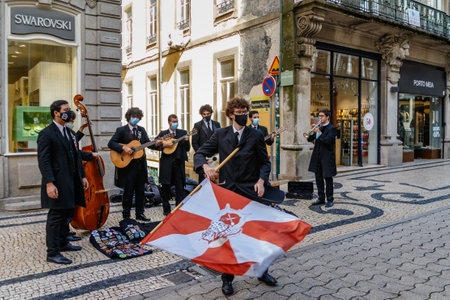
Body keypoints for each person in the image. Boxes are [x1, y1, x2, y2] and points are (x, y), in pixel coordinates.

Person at [194, 97, 278, 296]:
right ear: (231, 114)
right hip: (229, 192)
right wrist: (205, 166)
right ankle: (227, 278)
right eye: (239, 111)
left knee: (257, 233)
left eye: (245, 110)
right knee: (228, 236)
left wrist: (261, 180)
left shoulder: (256, 135)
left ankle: (262, 270)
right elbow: (200, 153)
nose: (243, 114)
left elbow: (264, 163)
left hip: (251, 191)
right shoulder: (220, 134)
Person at [37, 100, 89, 265]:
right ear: (56, 113)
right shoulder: (47, 133)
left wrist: (82, 176)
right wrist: (49, 183)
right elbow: (44, 161)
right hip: (57, 183)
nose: (69, 112)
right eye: (66, 110)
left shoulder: (69, 133)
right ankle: (52, 252)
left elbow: (76, 157)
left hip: (71, 182)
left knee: (67, 214)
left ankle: (63, 243)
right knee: (56, 217)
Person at [108, 108, 151, 221]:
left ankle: (139, 213)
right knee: (128, 191)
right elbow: (111, 143)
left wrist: (159, 142)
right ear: (129, 117)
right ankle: (126, 215)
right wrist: (123, 147)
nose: (135, 119)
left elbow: (148, 143)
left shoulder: (141, 130)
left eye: (138, 117)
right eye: (133, 116)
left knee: (140, 191)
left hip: (140, 165)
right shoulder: (121, 130)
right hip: (128, 167)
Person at [152, 114, 190, 216]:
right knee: (165, 186)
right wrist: (164, 144)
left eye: (176, 121)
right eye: (173, 122)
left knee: (180, 186)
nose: (175, 124)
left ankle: (178, 208)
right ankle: (166, 208)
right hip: (167, 163)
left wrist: (186, 141)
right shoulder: (163, 133)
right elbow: (153, 144)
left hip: (179, 163)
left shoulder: (182, 133)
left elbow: (187, 149)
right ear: (169, 122)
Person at [307, 108, 337, 208]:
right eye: (319, 116)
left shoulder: (331, 128)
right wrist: (311, 132)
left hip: (327, 157)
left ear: (327, 117)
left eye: (322, 116)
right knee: (318, 177)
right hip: (317, 156)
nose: (320, 118)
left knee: (328, 178)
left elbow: (328, 141)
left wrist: (319, 132)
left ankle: (329, 199)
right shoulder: (319, 127)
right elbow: (310, 139)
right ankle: (321, 197)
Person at [192, 104, 221, 181]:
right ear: (201, 115)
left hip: (215, 159)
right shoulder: (197, 125)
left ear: (211, 113)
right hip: (204, 158)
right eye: (204, 114)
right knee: (204, 181)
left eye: (208, 114)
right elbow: (194, 143)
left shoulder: (217, 124)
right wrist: (201, 156)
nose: (206, 116)